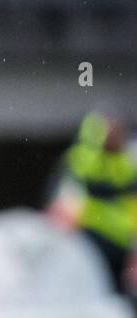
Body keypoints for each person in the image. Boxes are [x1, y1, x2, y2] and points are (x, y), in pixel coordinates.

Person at [47, 111, 137, 307]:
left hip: (121, 239)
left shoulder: (128, 163)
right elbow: (64, 196)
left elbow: (132, 201)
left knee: (119, 289)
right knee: (94, 285)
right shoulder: (82, 159)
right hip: (90, 235)